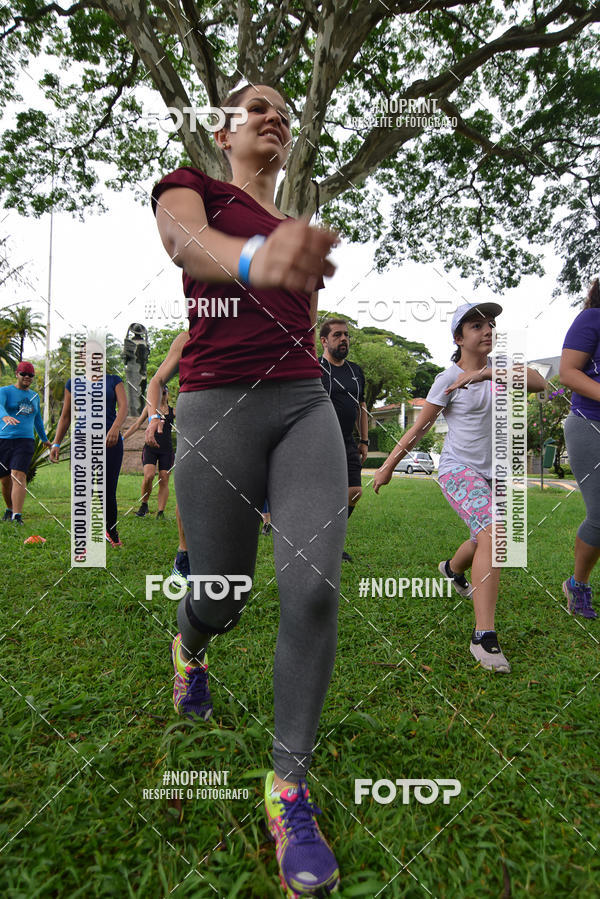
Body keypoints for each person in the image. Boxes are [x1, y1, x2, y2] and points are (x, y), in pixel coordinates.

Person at [152, 83, 344, 897]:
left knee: (310, 593)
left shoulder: (295, 226)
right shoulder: (192, 188)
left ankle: (288, 788)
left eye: (281, 109)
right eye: (255, 105)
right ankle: (190, 646)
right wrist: (250, 258)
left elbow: (297, 323)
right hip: (216, 403)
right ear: (224, 129)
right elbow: (184, 242)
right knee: (224, 595)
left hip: (304, 403)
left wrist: (287, 265)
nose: (273, 114)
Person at [373, 302, 547, 673]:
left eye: (491, 324)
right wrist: (387, 467)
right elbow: (419, 428)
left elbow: (539, 381)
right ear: (458, 337)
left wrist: (485, 376)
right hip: (457, 470)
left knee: (484, 534)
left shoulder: (499, 372)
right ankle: (483, 636)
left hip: (493, 474)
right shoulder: (446, 378)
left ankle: (452, 571)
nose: (487, 330)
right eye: (476, 325)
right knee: (496, 534)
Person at [51, 362, 128, 547]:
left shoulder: (113, 380)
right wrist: (56, 442)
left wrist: (115, 428)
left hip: (110, 441)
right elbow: (66, 416)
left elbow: (124, 407)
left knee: (107, 490)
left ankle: (111, 531)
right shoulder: (73, 383)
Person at [559, 277, 600, 619]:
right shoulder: (592, 319)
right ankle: (578, 584)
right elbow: (568, 373)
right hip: (590, 424)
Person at [141, 331, 191, 584]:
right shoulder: (187, 338)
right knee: (186, 489)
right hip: (195, 424)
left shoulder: (248, 329)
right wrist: (152, 418)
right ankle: (185, 553)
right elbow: (156, 380)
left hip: (238, 424)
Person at [319, 318, 368, 562]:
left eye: (346, 335)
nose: (344, 339)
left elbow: (362, 406)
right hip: (319, 440)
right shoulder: (313, 368)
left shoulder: (355, 371)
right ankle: (324, 544)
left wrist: (365, 440)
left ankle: (328, 538)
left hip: (348, 440)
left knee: (355, 492)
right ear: (324, 341)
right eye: (337, 335)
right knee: (323, 495)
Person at [0, 361, 51, 525]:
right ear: (17, 374)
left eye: (30, 375)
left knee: (18, 474)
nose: (27, 377)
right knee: (5, 479)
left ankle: (17, 516)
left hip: (25, 440)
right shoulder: (5, 391)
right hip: (4, 439)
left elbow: (37, 420)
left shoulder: (34, 396)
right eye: (24, 374)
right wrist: (4, 416)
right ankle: (9, 508)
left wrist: (44, 439)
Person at [123, 385, 175, 519]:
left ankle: (160, 512)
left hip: (166, 450)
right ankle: (144, 505)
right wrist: (122, 438)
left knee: (164, 479)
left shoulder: (173, 411)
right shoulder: (150, 409)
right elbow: (137, 425)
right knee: (149, 476)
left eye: (164, 393)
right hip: (150, 448)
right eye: (160, 393)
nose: (162, 396)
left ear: (167, 394)